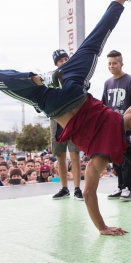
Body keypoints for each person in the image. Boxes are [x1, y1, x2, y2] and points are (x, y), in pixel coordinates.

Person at [0, 0, 131, 235]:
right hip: (52, 103)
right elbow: (88, 194)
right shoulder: (101, 157)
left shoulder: (124, 123)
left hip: (73, 86)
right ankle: (37, 79)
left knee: (97, 38)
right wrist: (102, 227)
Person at [101, 50, 131, 202]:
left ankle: (128, 189)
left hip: (126, 127)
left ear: (121, 64)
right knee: (115, 160)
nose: (111, 66)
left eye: (114, 63)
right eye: (109, 63)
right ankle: (120, 187)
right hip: (111, 129)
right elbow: (104, 106)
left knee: (126, 161)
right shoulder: (107, 83)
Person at [49, 49, 83, 201]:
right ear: (56, 64)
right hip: (56, 120)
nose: (63, 62)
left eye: (65, 59)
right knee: (60, 155)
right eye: (60, 60)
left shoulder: (76, 76)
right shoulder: (50, 78)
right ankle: (64, 188)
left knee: (75, 154)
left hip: (74, 119)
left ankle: (77, 188)